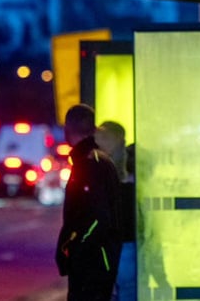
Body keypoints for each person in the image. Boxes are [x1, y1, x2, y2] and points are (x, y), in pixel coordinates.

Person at [56, 104, 122, 301]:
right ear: (93, 129)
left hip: (91, 262)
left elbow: (96, 218)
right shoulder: (98, 161)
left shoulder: (88, 164)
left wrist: (73, 246)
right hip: (99, 259)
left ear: (67, 129)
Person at [95, 121, 136, 301]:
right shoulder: (131, 178)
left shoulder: (96, 173)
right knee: (128, 291)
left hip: (104, 246)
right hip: (127, 245)